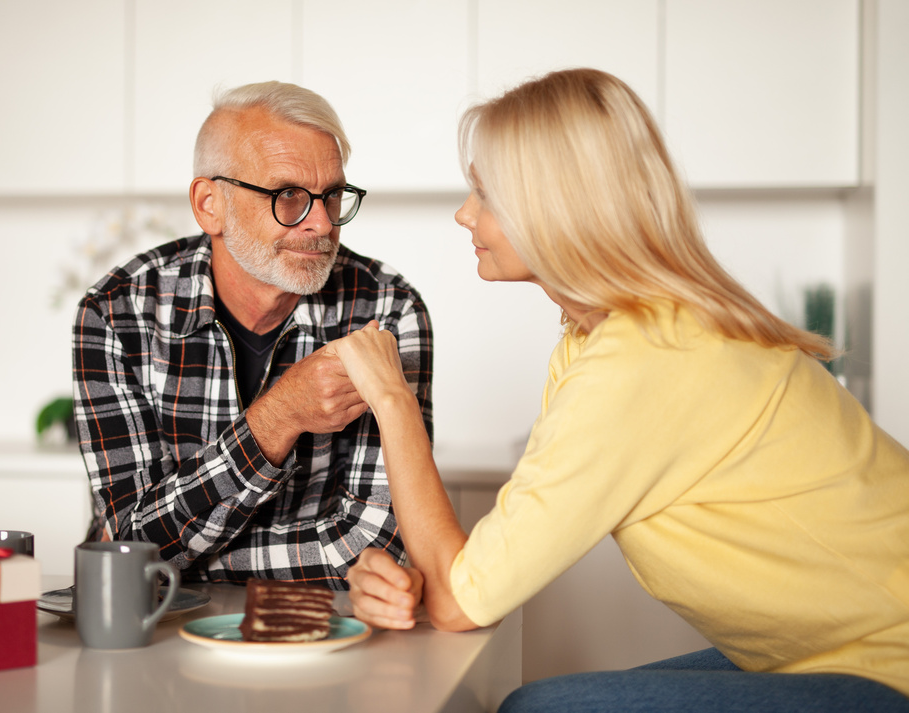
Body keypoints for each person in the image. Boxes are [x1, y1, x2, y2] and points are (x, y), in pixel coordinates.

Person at [332, 68, 909, 711]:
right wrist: (431, 581)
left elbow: (464, 600)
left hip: (890, 664)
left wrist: (392, 399)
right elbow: (479, 578)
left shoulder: (645, 359)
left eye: (485, 194)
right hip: (832, 656)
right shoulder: (601, 340)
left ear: (556, 209)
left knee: (539, 709)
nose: (465, 214)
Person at [72, 81, 433, 590]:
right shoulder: (117, 313)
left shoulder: (388, 309)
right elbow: (128, 543)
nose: (322, 224)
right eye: (288, 196)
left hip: (324, 631)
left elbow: (379, 541)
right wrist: (277, 417)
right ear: (209, 204)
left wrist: (185, 566)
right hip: (152, 629)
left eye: (332, 196)